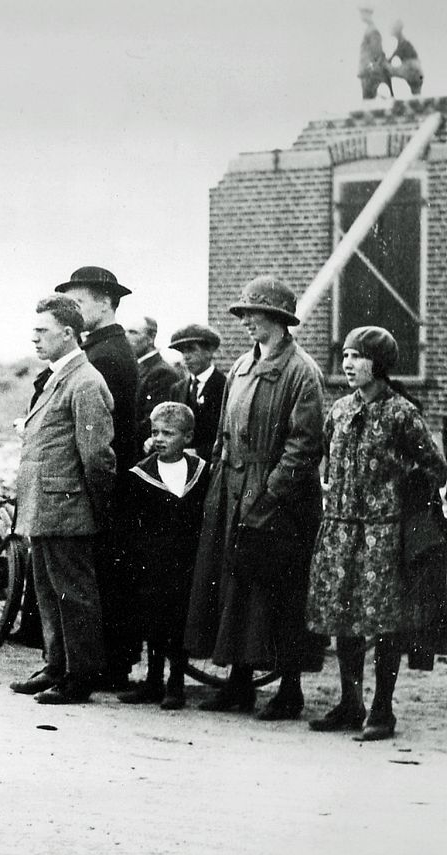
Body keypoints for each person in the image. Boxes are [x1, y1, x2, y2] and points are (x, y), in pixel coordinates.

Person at [186, 276, 324, 720]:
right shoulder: (243, 366)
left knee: (278, 591)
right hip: (231, 490)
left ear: (279, 320)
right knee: (234, 587)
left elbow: (304, 446)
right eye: (243, 314)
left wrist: (269, 497)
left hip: (278, 501)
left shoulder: (302, 372)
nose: (246, 321)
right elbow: (224, 434)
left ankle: (290, 690)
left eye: (254, 314)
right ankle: (239, 683)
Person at [306, 327, 447, 741]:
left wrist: (400, 492)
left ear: (379, 365)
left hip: (383, 534)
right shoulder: (340, 410)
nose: (348, 364)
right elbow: (326, 461)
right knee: (344, 618)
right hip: (341, 530)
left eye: (358, 357)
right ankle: (351, 704)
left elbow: (436, 467)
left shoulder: (402, 413)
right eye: (345, 356)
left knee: (385, 621)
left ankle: (382, 711)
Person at [8, 294, 115, 704]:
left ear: (68, 334)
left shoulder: (86, 381)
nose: (34, 339)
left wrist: (94, 508)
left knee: (73, 594)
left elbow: (97, 456)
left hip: (67, 507)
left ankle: (80, 674)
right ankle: (56, 665)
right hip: (46, 506)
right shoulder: (58, 376)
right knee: (49, 591)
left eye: (43, 331)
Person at [55, 265, 139, 691]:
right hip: (104, 477)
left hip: (103, 480)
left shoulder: (106, 356)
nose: (75, 311)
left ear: (106, 303)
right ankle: (105, 665)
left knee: (104, 576)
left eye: (81, 302)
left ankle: (108, 667)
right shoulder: (107, 349)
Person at [118, 402, 210, 710]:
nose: (159, 438)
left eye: (168, 433)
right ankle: (153, 681)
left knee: (178, 623)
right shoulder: (140, 474)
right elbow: (131, 522)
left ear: (187, 437)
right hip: (152, 561)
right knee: (152, 621)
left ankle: (176, 683)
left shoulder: (201, 471)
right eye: (155, 432)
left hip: (186, 561)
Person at [166, 324, 226, 461]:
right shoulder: (177, 389)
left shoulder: (225, 387)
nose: (186, 357)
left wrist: (199, 452)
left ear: (209, 352)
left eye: (191, 350)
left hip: (211, 466)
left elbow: (227, 436)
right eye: (182, 352)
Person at [125, 314, 182, 452]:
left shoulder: (162, 373)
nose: (126, 337)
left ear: (150, 338)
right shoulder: (137, 368)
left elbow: (152, 420)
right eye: (125, 332)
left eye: (133, 332)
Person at [358, 6, 391, 100]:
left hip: (369, 74)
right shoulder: (369, 30)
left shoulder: (372, 31)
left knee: (369, 102)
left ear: (368, 14)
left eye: (363, 13)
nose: (361, 16)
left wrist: (370, 68)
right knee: (368, 102)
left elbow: (377, 52)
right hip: (367, 73)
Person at [388, 19, 424, 97]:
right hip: (416, 73)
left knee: (388, 70)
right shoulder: (403, 43)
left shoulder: (403, 44)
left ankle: (391, 95)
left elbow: (394, 57)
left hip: (413, 71)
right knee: (416, 95)